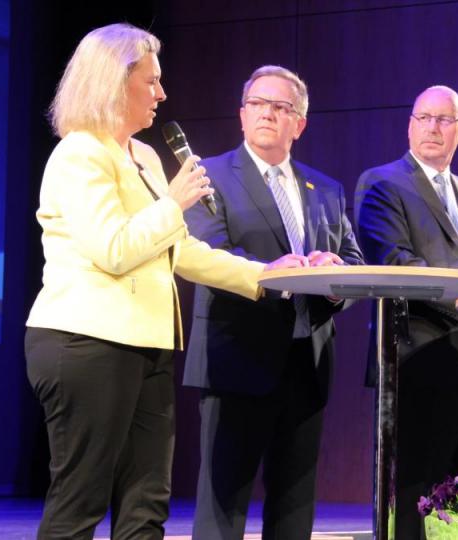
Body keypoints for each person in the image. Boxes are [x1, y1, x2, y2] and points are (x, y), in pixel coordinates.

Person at [24, 25, 305, 540]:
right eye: (151, 82)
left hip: (148, 344)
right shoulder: (80, 154)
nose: (162, 94)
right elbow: (113, 249)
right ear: (114, 82)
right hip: (87, 342)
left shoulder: (146, 157)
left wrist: (268, 275)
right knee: (81, 499)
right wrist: (173, 203)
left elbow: (179, 249)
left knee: (147, 503)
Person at [183, 65, 363, 540]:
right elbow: (209, 253)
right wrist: (277, 273)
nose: (267, 114)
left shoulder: (326, 189)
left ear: (299, 123)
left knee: (294, 505)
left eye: (280, 107)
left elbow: (354, 261)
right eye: (258, 105)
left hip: (308, 362)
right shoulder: (209, 176)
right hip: (236, 359)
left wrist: (334, 276)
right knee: (223, 507)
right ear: (242, 116)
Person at [354, 85, 458, 539]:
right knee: (416, 500)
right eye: (423, 117)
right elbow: (395, 263)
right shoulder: (383, 183)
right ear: (410, 124)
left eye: (443, 119)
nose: (432, 127)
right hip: (420, 363)